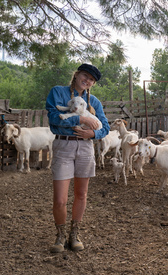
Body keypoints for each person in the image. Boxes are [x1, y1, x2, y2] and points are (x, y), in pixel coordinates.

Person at [46, 63, 110, 253]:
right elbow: (54, 119)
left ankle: (74, 234)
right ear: (76, 75)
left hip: (85, 147)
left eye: (91, 80)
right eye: (85, 76)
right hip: (64, 145)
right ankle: (60, 235)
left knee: (81, 194)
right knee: (60, 199)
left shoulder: (94, 103)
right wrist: (81, 119)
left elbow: (105, 128)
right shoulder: (58, 92)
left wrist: (92, 135)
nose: (87, 81)